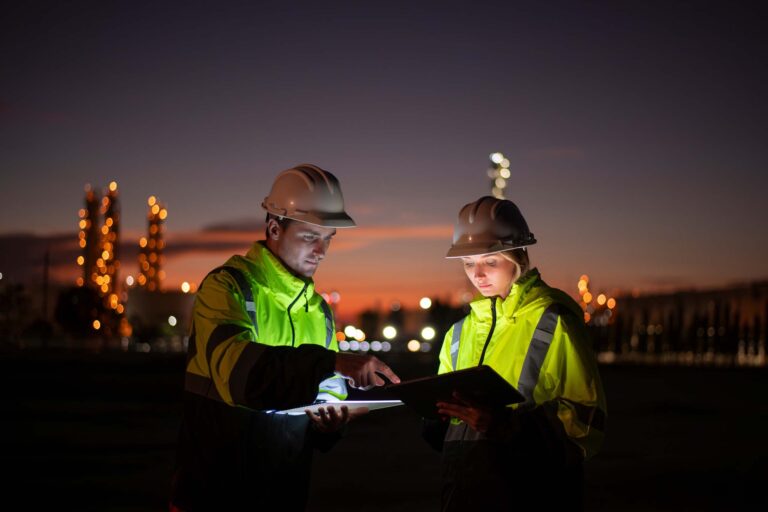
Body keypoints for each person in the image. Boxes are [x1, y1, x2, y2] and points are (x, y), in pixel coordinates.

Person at [170, 164, 400, 511]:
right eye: (310, 237)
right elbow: (241, 378)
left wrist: (331, 424)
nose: (321, 251)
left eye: (328, 239)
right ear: (274, 228)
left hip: (284, 493)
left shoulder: (319, 312)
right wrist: (332, 362)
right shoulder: (227, 288)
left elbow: (325, 398)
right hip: (213, 492)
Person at [424, 196, 607, 511]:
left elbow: (585, 423)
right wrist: (435, 417)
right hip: (462, 495)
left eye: (490, 261)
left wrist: (504, 425)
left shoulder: (554, 321)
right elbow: (447, 425)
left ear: (519, 255)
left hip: (533, 494)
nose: (477, 274)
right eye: (468, 263)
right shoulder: (458, 334)